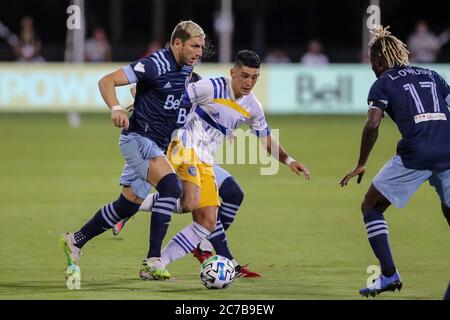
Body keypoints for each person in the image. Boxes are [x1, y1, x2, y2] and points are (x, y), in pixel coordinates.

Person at [138, 50, 311, 280]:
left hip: (206, 160)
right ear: (233, 73)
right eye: (245, 76)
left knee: (207, 222)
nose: (249, 82)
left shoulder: (252, 106)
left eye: (254, 77)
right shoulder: (210, 87)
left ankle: (154, 262)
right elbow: (176, 98)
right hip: (184, 146)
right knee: (190, 201)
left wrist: (289, 160)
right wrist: (145, 107)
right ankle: (138, 217)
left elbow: (266, 138)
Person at [60, 20, 206, 281]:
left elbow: (158, 94)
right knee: (171, 188)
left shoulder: (186, 69)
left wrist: (137, 100)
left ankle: (75, 240)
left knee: (126, 206)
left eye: (202, 47)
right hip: (138, 139)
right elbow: (106, 81)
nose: (199, 52)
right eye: (194, 46)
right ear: (177, 43)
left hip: (154, 143)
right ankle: (153, 259)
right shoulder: (154, 63)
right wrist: (116, 108)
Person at [113, 72, 261, 278]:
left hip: (203, 156)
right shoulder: (171, 87)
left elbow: (213, 111)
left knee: (233, 193)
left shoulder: (201, 89)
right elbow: (141, 91)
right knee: (199, 205)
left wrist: (228, 128)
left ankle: (135, 207)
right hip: (181, 152)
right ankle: (224, 258)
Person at [339, 26, 450, 297]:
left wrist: (362, 162)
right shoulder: (433, 75)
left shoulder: (384, 81)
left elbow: (373, 122)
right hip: (448, 151)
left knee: (371, 205)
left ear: (378, 60)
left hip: (417, 153)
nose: (372, 67)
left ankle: (389, 275)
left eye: (372, 62)